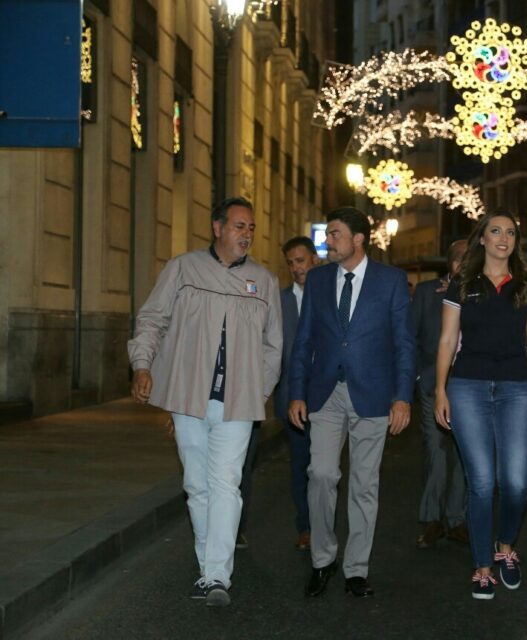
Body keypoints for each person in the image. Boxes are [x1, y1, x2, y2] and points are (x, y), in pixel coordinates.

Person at [128, 196, 282, 607]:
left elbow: (273, 347)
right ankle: (206, 567)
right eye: (239, 226)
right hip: (188, 398)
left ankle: (217, 576)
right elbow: (152, 319)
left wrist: (259, 392)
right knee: (197, 485)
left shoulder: (264, 282)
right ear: (217, 228)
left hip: (238, 403)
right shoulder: (183, 268)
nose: (246, 234)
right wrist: (142, 365)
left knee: (226, 484)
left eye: (250, 228)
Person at [433, 211, 527, 600]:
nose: (503, 238)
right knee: (483, 481)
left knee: (515, 483)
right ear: (483, 240)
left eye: (510, 232)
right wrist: (440, 389)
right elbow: (446, 340)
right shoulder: (462, 284)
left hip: (517, 388)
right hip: (467, 386)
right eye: (495, 231)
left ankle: (506, 546)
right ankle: (482, 566)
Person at [288, 207, 415, 599]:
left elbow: (404, 343)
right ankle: (323, 560)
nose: (328, 241)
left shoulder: (391, 281)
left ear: (359, 239)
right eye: (328, 234)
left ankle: (356, 569)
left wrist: (403, 398)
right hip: (325, 392)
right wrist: (296, 391)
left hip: (374, 393)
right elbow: (304, 340)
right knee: (322, 474)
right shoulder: (319, 280)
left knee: (364, 483)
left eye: (336, 234)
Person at [411, 239, 470, 548]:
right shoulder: (426, 292)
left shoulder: (480, 293)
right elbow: (411, 335)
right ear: (449, 263)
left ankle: (456, 518)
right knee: (435, 451)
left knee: (463, 454)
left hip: (469, 387)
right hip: (433, 384)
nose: (462, 265)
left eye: (467, 260)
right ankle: (432, 518)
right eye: (457, 260)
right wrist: (420, 374)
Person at [274, 236, 321, 549]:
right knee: (300, 465)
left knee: (324, 470)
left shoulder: (332, 295)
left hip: (329, 396)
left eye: (301, 261)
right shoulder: (279, 302)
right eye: (291, 263)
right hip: (292, 397)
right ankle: (305, 527)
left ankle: (323, 525)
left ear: (314, 259)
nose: (296, 268)